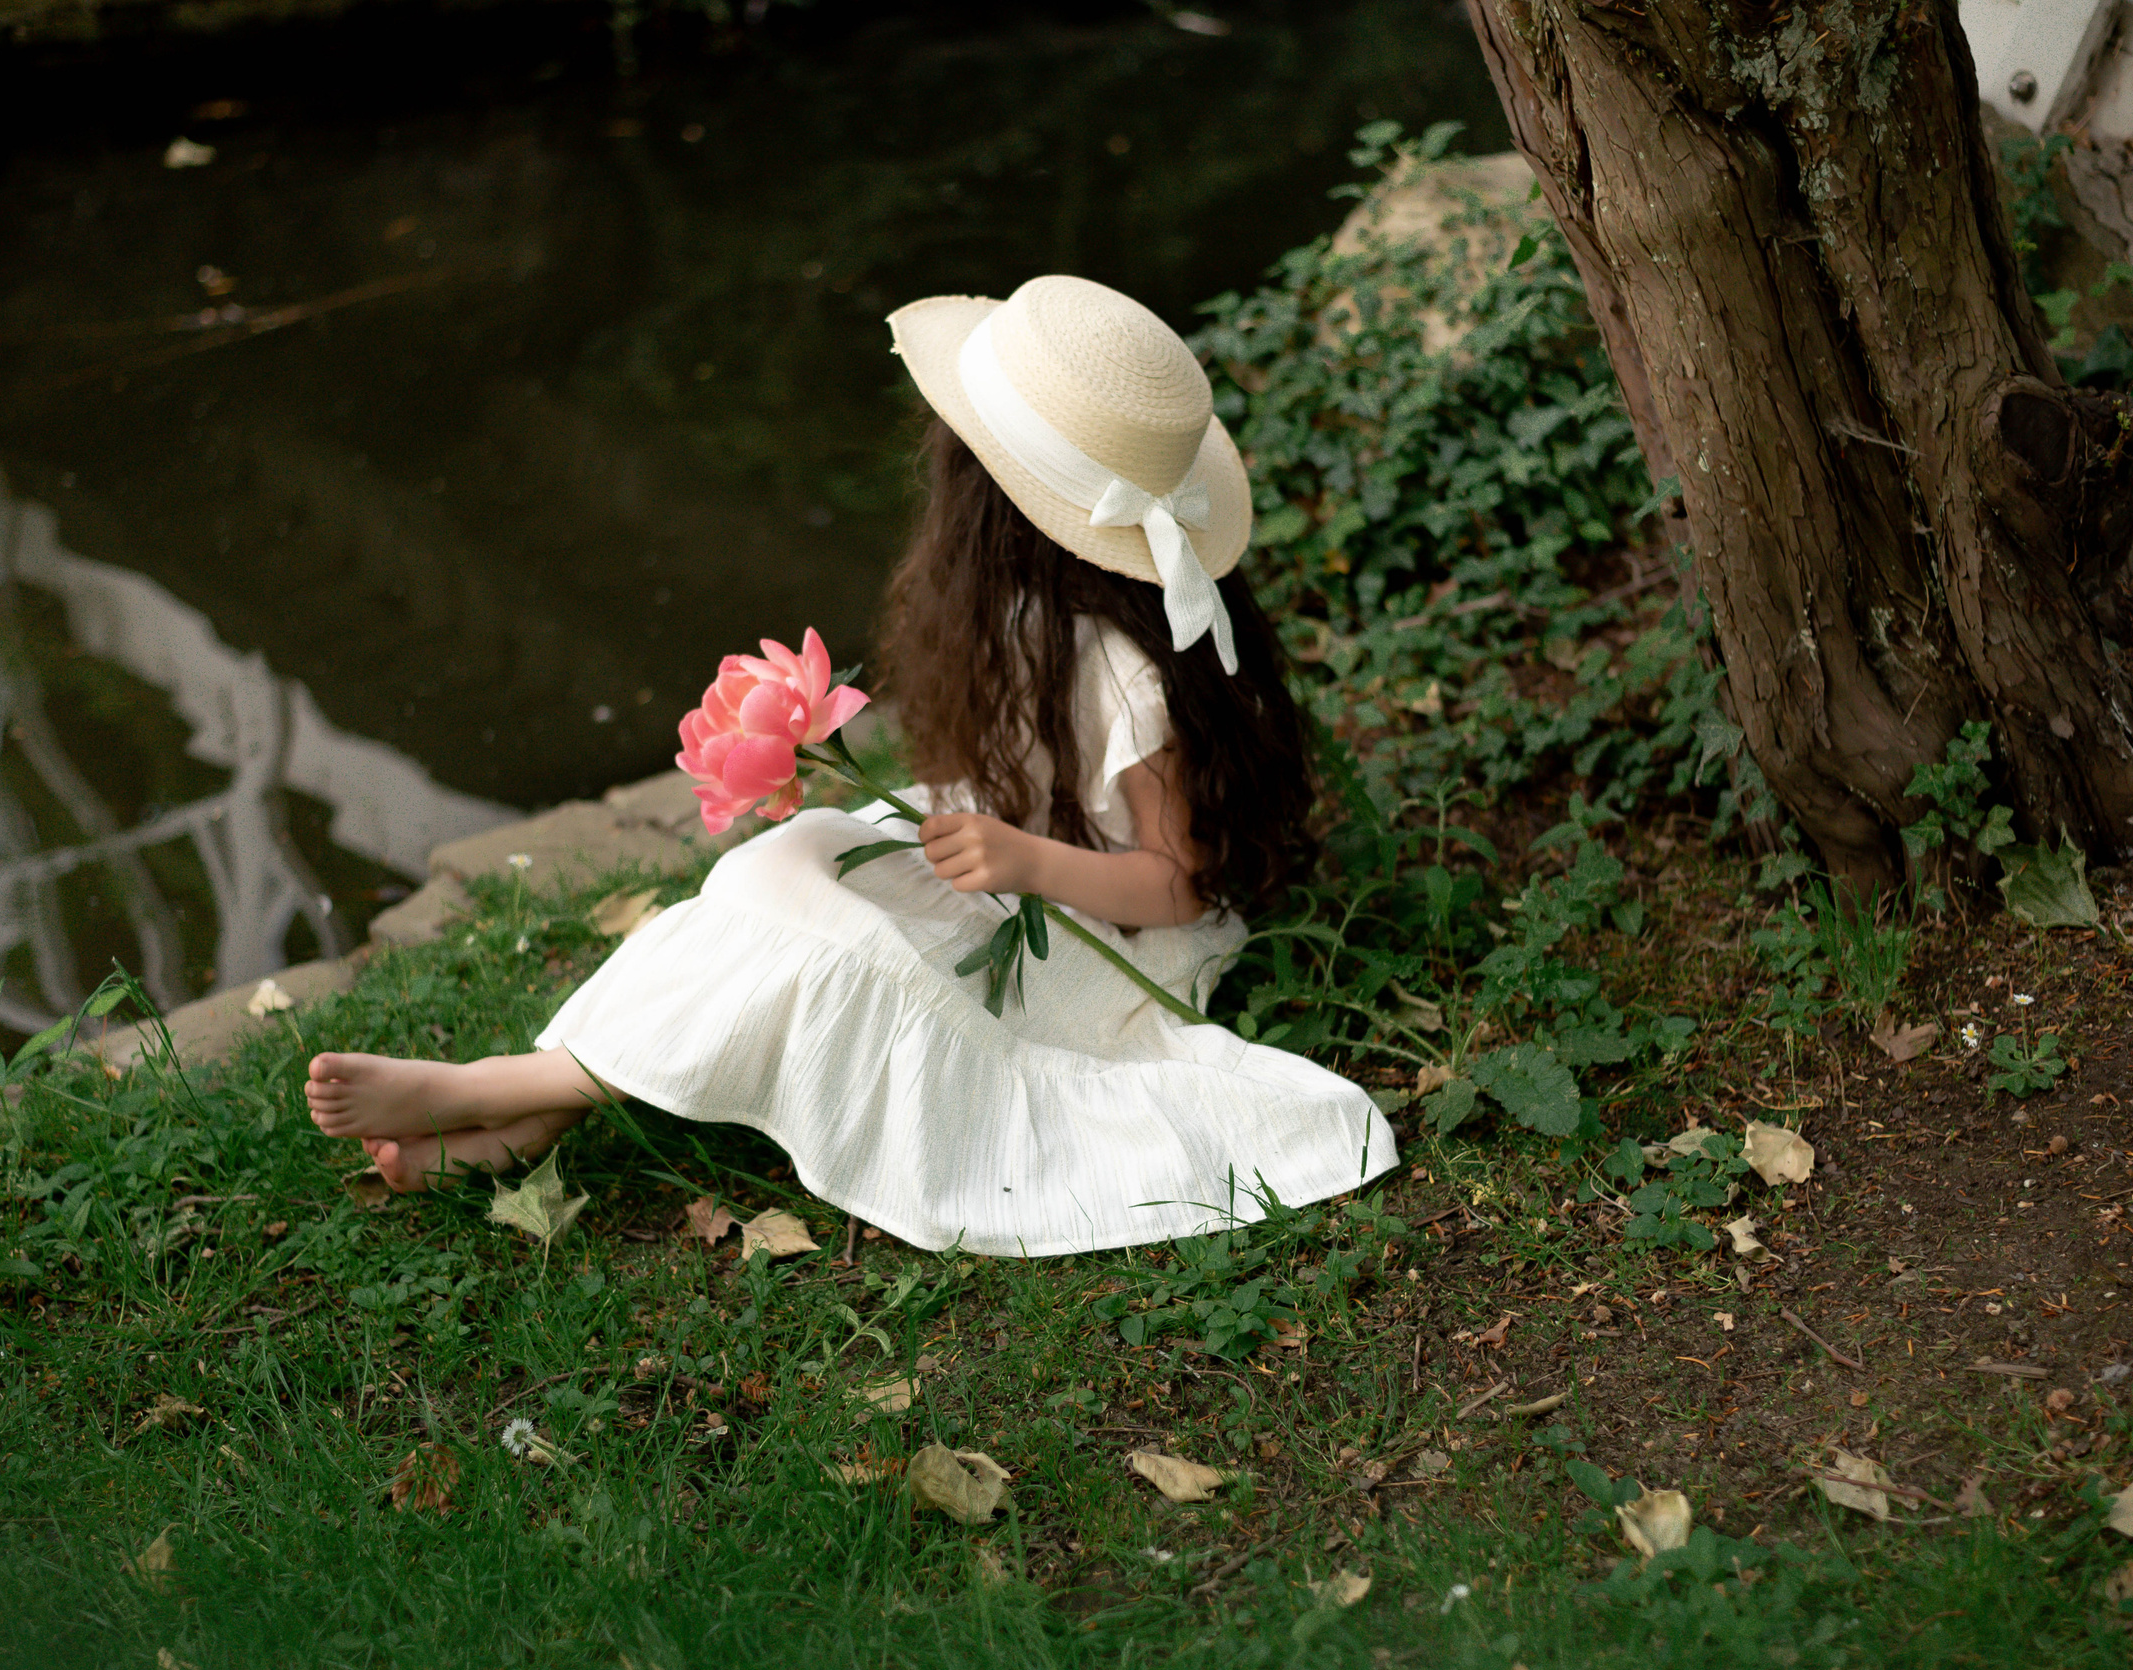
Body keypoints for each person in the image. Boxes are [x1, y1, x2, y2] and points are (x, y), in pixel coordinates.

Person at [305, 275, 1394, 1257]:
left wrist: (1026, 860)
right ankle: (553, 1097)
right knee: (778, 870)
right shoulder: (1019, 611)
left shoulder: (1125, 673)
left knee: (845, 958)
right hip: (1010, 847)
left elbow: (1179, 882)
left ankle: (516, 1089)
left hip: (1096, 921)